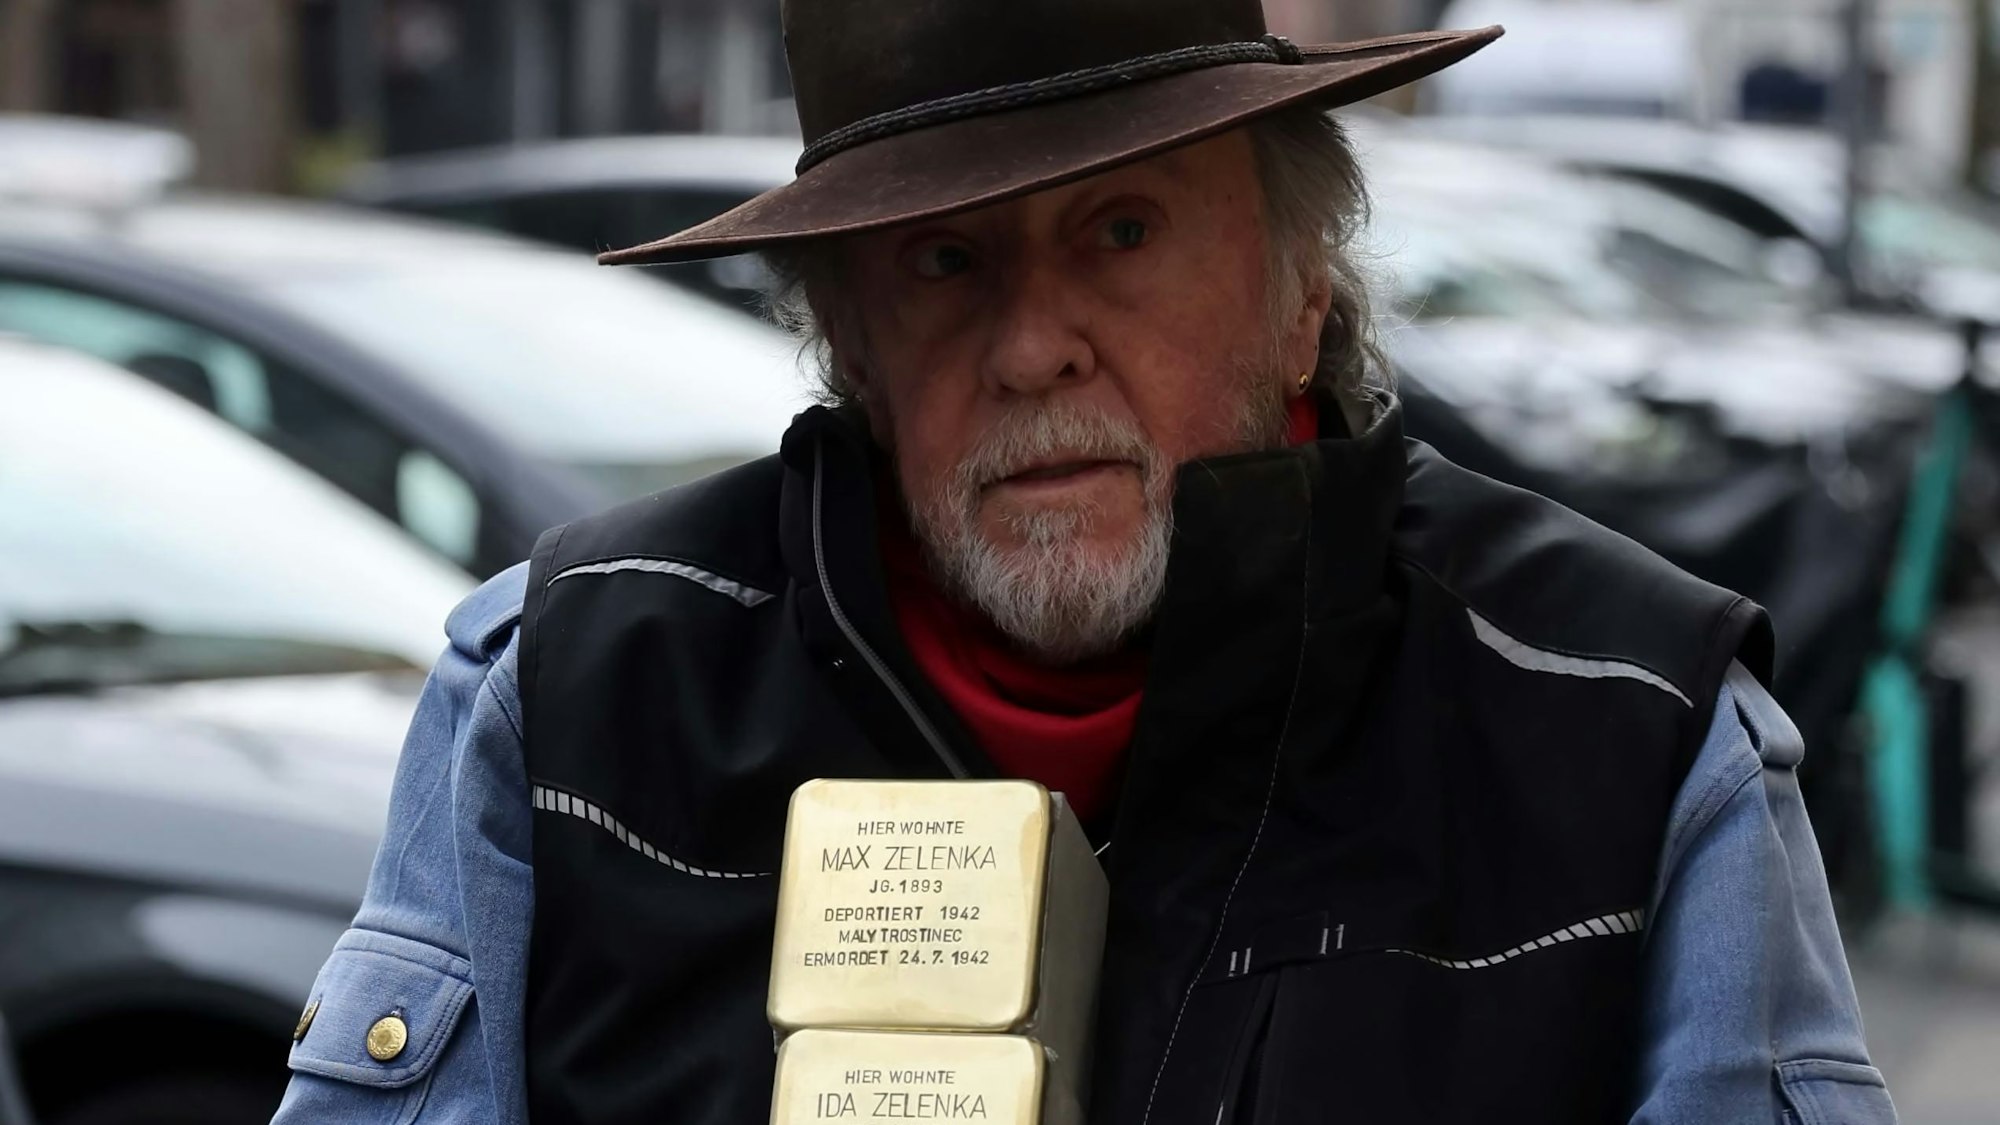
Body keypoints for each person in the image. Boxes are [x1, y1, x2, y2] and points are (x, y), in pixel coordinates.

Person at [273, 1, 1895, 1122]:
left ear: (1303, 290)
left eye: (1122, 230)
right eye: (943, 259)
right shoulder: (562, 698)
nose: (1032, 344)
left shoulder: (1633, 731)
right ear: (852, 344)